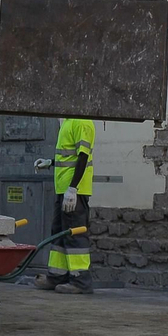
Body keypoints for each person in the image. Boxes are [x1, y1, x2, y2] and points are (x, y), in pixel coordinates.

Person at [35, 117, 96, 294]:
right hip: (64, 189)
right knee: (60, 233)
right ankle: (57, 276)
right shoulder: (69, 121)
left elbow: (83, 157)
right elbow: (69, 157)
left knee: (74, 235)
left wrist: (73, 188)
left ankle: (80, 281)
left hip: (74, 191)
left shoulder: (82, 122)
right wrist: (51, 162)